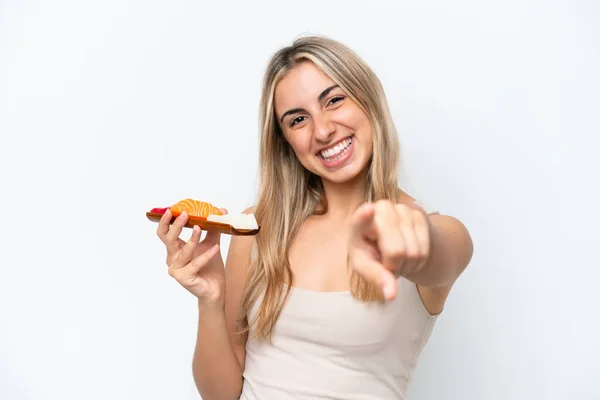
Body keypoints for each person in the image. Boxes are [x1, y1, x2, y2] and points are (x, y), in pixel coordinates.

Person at [156, 35, 474, 400]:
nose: (322, 130)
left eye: (334, 100)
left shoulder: (436, 229)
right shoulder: (258, 228)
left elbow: (439, 257)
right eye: (298, 120)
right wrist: (210, 300)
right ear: (285, 141)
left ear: (368, 99)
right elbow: (222, 395)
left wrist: (411, 242)